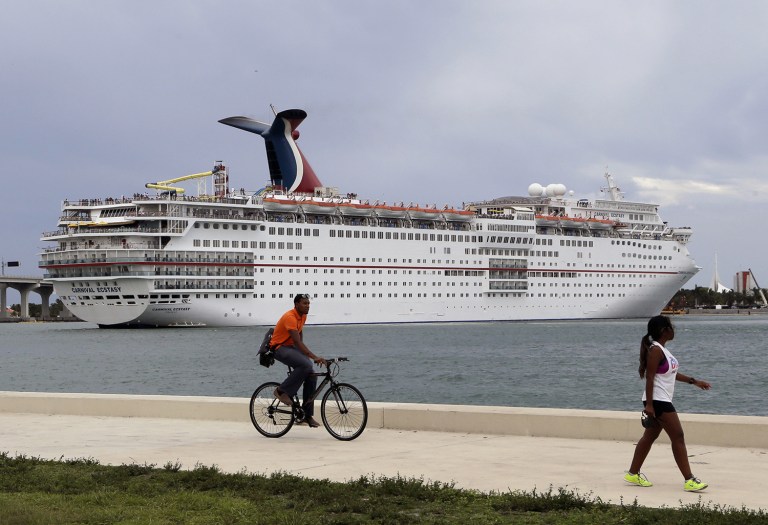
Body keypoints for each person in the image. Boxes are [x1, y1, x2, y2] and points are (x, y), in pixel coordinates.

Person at [624, 315, 711, 492]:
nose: (674, 330)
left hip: (659, 399)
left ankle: (633, 473)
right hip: (658, 400)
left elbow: (671, 374)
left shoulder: (662, 350)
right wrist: (649, 405)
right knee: (678, 436)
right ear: (664, 330)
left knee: (649, 437)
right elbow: (650, 377)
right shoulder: (656, 350)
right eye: (672, 327)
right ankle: (689, 480)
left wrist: (694, 381)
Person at [270, 294, 326, 428]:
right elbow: (296, 341)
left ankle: (306, 415)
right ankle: (281, 391)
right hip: (279, 348)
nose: (307, 306)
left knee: (311, 374)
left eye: (308, 303)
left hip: (290, 347)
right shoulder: (290, 317)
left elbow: (299, 335)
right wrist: (313, 357)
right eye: (304, 303)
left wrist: (303, 354)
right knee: (306, 365)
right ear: (296, 304)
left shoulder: (303, 316)